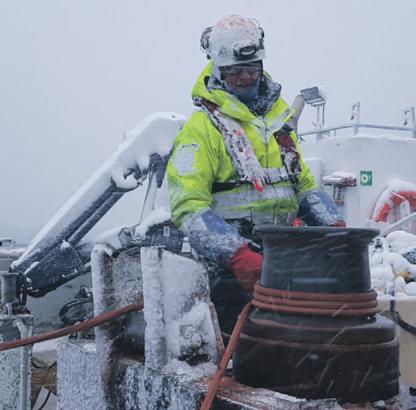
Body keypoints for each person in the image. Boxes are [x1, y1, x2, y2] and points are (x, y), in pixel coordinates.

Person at [167, 15, 345, 334]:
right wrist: (238, 256)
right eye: (235, 71)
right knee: (245, 347)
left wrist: (336, 228)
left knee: (295, 339)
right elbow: (188, 207)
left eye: (252, 68)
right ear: (218, 71)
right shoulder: (201, 129)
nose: (246, 77)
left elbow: (303, 185)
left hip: (283, 259)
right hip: (229, 273)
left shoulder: (277, 120)